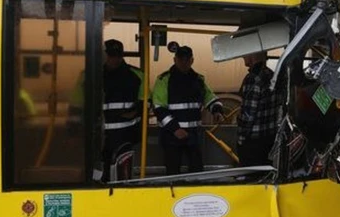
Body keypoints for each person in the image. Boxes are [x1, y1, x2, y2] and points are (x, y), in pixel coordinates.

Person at [152, 45, 223, 174]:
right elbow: (159, 108)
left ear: (192, 60)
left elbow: (209, 97)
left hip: (193, 135)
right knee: (172, 171)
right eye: (181, 59)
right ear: (175, 60)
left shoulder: (198, 80)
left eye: (187, 59)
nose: (184, 63)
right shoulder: (164, 80)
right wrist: (175, 129)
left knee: (197, 170)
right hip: (171, 135)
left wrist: (217, 110)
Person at [101, 39, 144, 180]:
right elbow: (78, 104)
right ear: (103, 55)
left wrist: (135, 111)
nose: (114, 59)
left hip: (126, 136)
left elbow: (146, 102)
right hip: (98, 137)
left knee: (123, 176)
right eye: (111, 55)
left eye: (117, 55)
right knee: (98, 175)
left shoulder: (137, 75)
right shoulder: (90, 75)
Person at [236, 51, 281, 166]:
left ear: (252, 54)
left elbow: (248, 116)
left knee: (250, 177)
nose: (242, 55)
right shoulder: (272, 75)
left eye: (245, 53)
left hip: (253, 143)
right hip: (270, 139)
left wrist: (241, 135)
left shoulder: (252, 78)